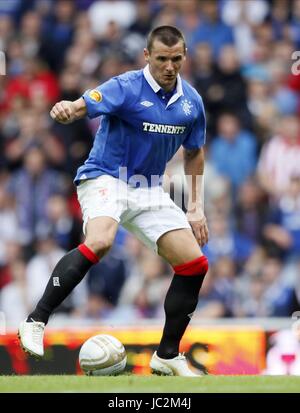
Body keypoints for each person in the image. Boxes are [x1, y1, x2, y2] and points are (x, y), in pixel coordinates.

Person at [18, 25, 209, 377]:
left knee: (195, 264)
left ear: (184, 57)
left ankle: (166, 356)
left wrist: (195, 206)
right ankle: (37, 319)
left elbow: (195, 153)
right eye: (163, 59)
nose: (170, 66)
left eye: (177, 59)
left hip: (149, 187)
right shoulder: (126, 86)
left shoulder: (191, 102)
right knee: (102, 240)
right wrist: (67, 108)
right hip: (105, 175)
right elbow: (85, 103)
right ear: (147, 56)